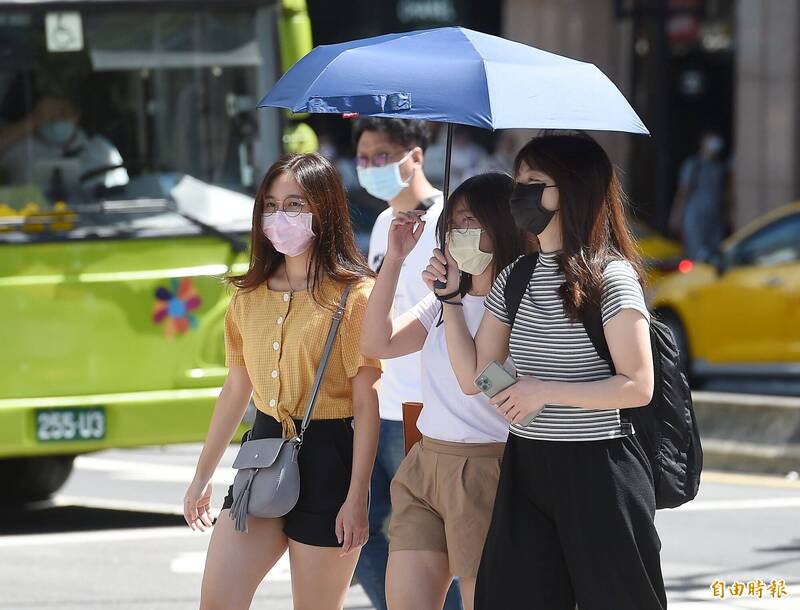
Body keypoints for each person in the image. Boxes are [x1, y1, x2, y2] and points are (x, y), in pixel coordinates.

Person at [425, 134, 667, 610]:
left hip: (600, 471)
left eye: (535, 182)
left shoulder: (610, 277)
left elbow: (637, 386)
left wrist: (541, 391)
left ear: (574, 189)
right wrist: (451, 300)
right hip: (528, 465)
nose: (520, 193)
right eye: (518, 181)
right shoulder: (516, 275)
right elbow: (478, 376)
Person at [183, 153, 382, 610]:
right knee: (218, 600)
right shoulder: (247, 296)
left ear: (324, 209)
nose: (279, 216)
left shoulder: (355, 295)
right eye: (271, 205)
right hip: (265, 449)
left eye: (295, 204)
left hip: (332, 457)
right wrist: (202, 477)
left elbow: (366, 403)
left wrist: (357, 498)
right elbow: (236, 389)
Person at [361, 172, 527, 610]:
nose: (459, 233)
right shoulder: (439, 300)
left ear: (502, 225)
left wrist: (454, 303)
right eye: (453, 223)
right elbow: (379, 343)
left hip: (486, 468)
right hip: (425, 462)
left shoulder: (520, 300)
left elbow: (475, 381)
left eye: (471, 221)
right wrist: (395, 261)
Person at [352, 117, 461, 610]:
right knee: (357, 528)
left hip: (422, 407)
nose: (370, 166)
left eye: (381, 156)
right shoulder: (381, 224)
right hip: (377, 401)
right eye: (363, 157)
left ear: (414, 157)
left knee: (428, 542)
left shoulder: (450, 221)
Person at [0, 94, 128, 196]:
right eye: (49, 114)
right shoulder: (22, 147)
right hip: (31, 225)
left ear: (76, 114)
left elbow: (123, 196)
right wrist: (32, 120)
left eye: (62, 112)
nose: (56, 118)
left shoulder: (101, 149)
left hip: (94, 224)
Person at [669, 131, 731, 260]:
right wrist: (676, 215)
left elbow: (724, 194)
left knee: (713, 252)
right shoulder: (693, 164)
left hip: (714, 216)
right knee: (695, 252)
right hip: (695, 216)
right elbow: (683, 191)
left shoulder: (720, 167)